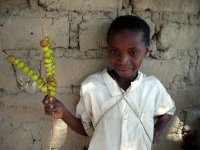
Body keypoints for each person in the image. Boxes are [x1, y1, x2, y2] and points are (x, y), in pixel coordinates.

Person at [43, 15, 176, 150]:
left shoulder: (152, 86)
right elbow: (87, 129)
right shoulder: (91, 86)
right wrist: (64, 114)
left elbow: (168, 109)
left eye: (133, 52)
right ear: (108, 49)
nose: (123, 60)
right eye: (114, 51)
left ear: (146, 51)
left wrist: (155, 133)